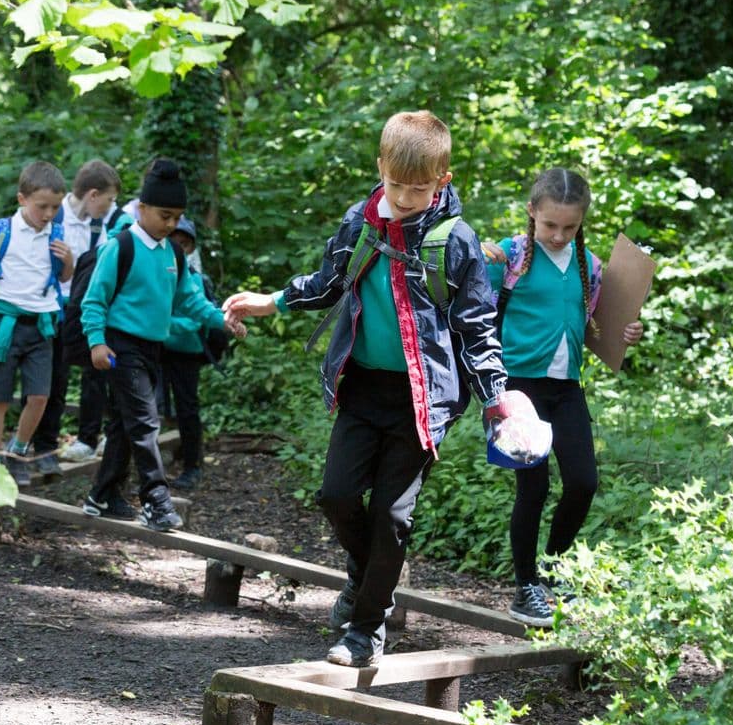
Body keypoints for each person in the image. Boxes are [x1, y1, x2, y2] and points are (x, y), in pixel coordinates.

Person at [223, 110, 533, 668]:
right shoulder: (361, 222)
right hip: (363, 388)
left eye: (420, 187)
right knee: (336, 496)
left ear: (443, 179)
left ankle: (366, 630)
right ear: (380, 168)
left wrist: (497, 398)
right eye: (396, 184)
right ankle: (370, 580)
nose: (407, 197)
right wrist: (272, 301)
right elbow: (328, 284)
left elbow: (477, 329)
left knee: (392, 515)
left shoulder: (455, 242)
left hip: (424, 398)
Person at [482, 168, 643, 627]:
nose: (558, 235)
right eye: (550, 225)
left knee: (583, 482)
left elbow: (598, 327)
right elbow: (470, 307)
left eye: (569, 227)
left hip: (566, 386)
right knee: (533, 487)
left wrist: (625, 331)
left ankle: (554, 569)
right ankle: (526, 586)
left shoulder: (586, 265)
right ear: (532, 212)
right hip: (516, 386)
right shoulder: (508, 257)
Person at [80, 159, 244, 531]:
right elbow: (94, 300)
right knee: (144, 420)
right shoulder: (120, 247)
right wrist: (96, 342)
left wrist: (222, 318)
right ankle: (156, 498)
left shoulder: (173, 255)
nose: (171, 224)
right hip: (121, 346)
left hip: (153, 348)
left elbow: (190, 300)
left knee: (125, 423)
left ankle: (101, 496)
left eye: (177, 218)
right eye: (164, 215)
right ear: (142, 209)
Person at [0, 161, 74, 487]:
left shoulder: (58, 234)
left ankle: (18, 449)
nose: (49, 213)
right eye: (42, 206)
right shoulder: (0, 231)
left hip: (41, 326)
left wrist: (69, 261)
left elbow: (62, 278)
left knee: (39, 397)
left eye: (55, 207)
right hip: (2, 323)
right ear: (22, 199)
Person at [26, 159, 122, 478]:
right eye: (108, 200)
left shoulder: (102, 226)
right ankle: (42, 444)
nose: (111, 208)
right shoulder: (55, 217)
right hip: (52, 308)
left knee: (94, 374)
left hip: (85, 309)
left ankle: (87, 436)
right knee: (53, 378)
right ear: (92, 195)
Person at [159, 215, 221, 490]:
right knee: (151, 407)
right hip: (156, 350)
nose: (179, 248)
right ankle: (153, 464)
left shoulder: (194, 279)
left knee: (187, 407)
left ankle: (192, 465)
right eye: (175, 242)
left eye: (185, 244)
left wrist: (160, 324)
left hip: (185, 352)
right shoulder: (154, 273)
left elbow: (197, 319)